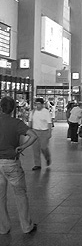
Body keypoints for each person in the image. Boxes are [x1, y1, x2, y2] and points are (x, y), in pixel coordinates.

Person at [0, 96, 38, 234]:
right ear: (13, 109)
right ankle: (26, 226)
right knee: (20, 194)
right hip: (11, 162)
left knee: (0, 196)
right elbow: (33, 136)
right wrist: (22, 147)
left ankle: (3, 228)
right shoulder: (16, 123)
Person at [29, 98, 52, 170]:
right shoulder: (32, 112)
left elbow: (49, 123)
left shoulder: (46, 112)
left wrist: (49, 132)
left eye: (39, 104)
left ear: (42, 104)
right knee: (35, 149)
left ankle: (47, 157)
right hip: (35, 132)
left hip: (44, 132)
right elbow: (30, 121)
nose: (37, 105)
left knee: (43, 147)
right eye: (36, 104)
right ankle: (37, 164)